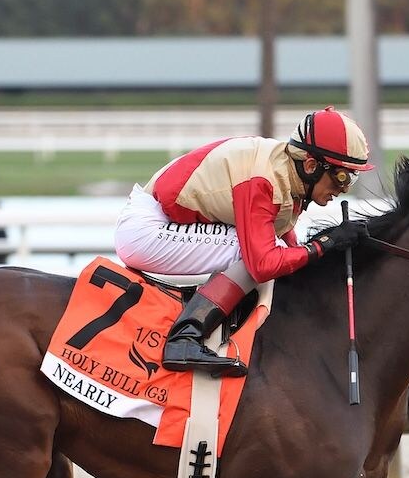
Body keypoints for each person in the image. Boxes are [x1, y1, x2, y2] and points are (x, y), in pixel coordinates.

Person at [113, 107, 373, 377]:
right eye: (342, 176)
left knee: (269, 252)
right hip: (146, 230)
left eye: (352, 177)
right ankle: (185, 338)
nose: (344, 188)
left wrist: (317, 252)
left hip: (165, 220)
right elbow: (262, 264)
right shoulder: (264, 181)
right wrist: (326, 243)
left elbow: (288, 245)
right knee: (249, 253)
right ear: (310, 165)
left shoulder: (287, 173)